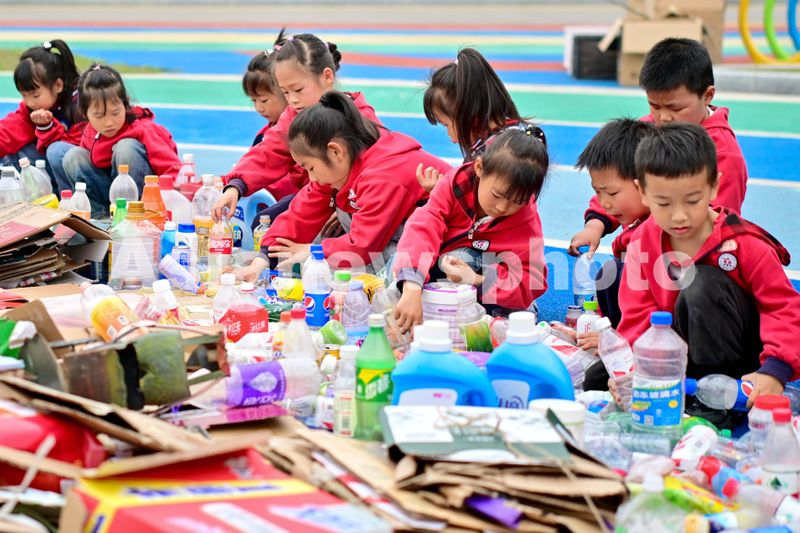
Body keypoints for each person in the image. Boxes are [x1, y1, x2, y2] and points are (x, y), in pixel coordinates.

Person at [617, 123, 800, 428]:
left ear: (714, 186)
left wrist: (775, 370)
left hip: (740, 360)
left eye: (692, 201)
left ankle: (716, 404)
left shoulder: (744, 243)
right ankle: (689, 389)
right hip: (682, 352)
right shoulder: (642, 242)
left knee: (700, 283)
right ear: (643, 193)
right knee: (602, 376)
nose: (679, 215)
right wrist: (641, 369)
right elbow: (637, 314)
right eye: (664, 203)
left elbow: (782, 307)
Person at [235, 91, 450, 282]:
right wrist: (262, 260)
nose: (311, 178)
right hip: (400, 234)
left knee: (344, 264)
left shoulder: (383, 176)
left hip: (448, 247)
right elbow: (302, 211)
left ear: (336, 151)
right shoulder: (340, 162)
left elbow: (363, 246)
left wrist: (313, 251)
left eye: (310, 168)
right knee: (319, 243)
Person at [570, 38, 748, 258]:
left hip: (696, 257)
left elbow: (713, 223)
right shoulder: (647, 129)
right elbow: (615, 182)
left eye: (675, 108)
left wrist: (633, 238)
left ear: (707, 95)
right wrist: (595, 225)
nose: (663, 117)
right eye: (654, 105)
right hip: (643, 248)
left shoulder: (723, 154)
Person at [215, 32, 381, 231]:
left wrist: (348, 206)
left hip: (355, 205)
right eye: (285, 92)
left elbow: (377, 170)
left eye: (298, 90)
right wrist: (236, 185)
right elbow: (269, 151)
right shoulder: (294, 115)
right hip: (314, 197)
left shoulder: (356, 116)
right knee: (264, 225)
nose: (292, 100)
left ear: (327, 76)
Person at [392, 127, 549, 333]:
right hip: (446, 270)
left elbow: (531, 280)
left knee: (462, 259)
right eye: (497, 195)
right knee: (399, 278)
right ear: (479, 167)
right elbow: (423, 227)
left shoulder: (526, 222)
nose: (502, 207)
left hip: (496, 290)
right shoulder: (454, 186)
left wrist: (477, 280)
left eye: (517, 201)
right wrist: (412, 285)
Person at [417, 47, 545, 193]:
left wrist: (437, 192)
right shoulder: (520, 133)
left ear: (466, 113)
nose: (449, 135)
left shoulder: (487, 157)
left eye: (446, 125)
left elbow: (460, 202)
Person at [61, 64, 181, 217]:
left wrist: (175, 194)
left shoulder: (142, 129)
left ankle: (133, 215)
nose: (109, 122)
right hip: (109, 193)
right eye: (99, 116)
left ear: (125, 104)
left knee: (126, 148)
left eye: (115, 113)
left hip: (139, 196)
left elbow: (170, 166)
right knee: (73, 156)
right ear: (84, 113)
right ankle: (99, 217)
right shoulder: (90, 132)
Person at [2, 39, 84, 191]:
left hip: (81, 177)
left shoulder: (81, 105)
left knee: (56, 151)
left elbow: (79, 149)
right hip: (50, 170)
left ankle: (68, 197)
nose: (29, 102)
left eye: (35, 95)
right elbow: (10, 129)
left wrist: (47, 127)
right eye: (24, 95)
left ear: (58, 85)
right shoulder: (32, 107)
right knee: (12, 150)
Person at [241, 43, 290, 201]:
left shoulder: (298, 133)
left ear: (285, 91)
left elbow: (293, 182)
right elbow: (253, 165)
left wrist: (257, 186)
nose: (259, 108)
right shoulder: (263, 134)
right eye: (253, 100)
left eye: (263, 100)